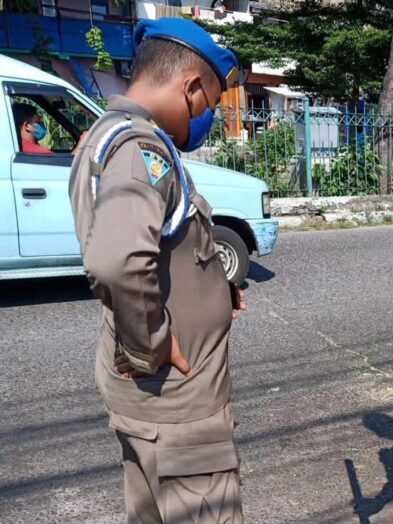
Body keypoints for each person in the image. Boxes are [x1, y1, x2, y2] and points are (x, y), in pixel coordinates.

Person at [69, 18, 245, 523]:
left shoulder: (111, 138)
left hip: (161, 410)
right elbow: (118, 262)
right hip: (178, 406)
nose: (207, 115)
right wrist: (152, 343)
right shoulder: (139, 151)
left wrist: (216, 286)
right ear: (190, 87)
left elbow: (163, 246)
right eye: (209, 103)